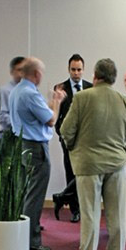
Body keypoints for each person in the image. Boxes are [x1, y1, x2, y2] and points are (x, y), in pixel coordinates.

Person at [61, 58, 126, 250]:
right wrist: (125, 158)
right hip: (117, 165)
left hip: (88, 165)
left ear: (95, 76)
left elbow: (66, 131)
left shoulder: (82, 98)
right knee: (117, 214)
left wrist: (74, 149)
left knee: (90, 214)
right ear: (114, 78)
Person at [8, 57, 65, 250]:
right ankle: (31, 240)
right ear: (37, 74)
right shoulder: (30, 93)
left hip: (23, 145)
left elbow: (39, 114)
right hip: (36, 148)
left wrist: (51, 103)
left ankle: (23, 233)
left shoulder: (17, 91)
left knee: (25, 192)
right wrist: (57, 102)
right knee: (35, 195)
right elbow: (51, 120)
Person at [51, 54, 86, 223]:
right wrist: (63, 135)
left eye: (79, 69)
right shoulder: (61, 88)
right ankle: (75, 210)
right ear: (68, 69)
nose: (76, 73)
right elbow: (56, 116)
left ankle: (65, 197)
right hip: (68, 140)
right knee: (71, 173)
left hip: (86, 141)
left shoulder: (90, 88)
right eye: (73, 69)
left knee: (85, 174)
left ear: (83, 70)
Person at [0, 55, 26, 130]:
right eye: (19, 70)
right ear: (12, 72)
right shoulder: (5, 90)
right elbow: (0, 116)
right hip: (10, 133)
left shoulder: (31, 90)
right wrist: (21, 123)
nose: (22, 73)